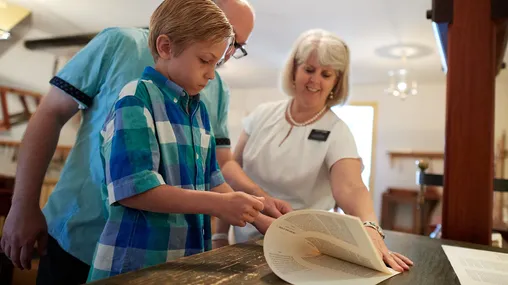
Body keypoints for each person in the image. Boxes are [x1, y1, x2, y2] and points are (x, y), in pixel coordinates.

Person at [0, 1, 290, 284]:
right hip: (86, 239)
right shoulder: (127, 67)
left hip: (171, 256)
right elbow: (51, 114)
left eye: (235, 47)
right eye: (221, 45)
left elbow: (215, 170)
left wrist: (259, 210)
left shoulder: (203, 100)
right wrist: (23, 205)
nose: (225, 58)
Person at [86, 0, 267, 281]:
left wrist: (260, 217)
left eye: (216, 63)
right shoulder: (136, 98)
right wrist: (219, 206)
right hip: (134, 264)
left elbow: (213, 180)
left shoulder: (199, 110)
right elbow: (134, 190)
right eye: (205, 61)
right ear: (166, 47)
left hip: (185, 260)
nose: (211, 73)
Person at [214, 29, 414, 272]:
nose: (314, 80)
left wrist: (371, 227)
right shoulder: (262, 114)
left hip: (300, 249)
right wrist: (220, 235)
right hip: (244, 240)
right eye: (309, 70)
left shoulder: (337, 131)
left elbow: (351, 187)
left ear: (336, 82)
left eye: (326, 74)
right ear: (294, 70)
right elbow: (229, 169)